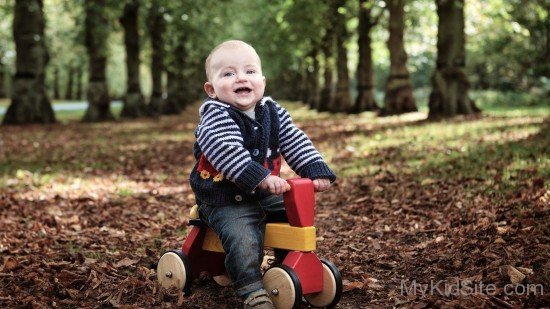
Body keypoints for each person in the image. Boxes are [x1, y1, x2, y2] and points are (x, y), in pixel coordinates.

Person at [189, 40, 336, 308]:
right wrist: (261, 177)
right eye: (228, 73)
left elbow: (294, 140)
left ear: (263, 82)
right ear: (211, 89)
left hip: (262, 193)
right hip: (224, 197)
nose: (241, 78)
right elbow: (227, 150)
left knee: (292, 214)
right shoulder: (215, 116)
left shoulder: (272, 111)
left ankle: (288, 267)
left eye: (249, 71)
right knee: (243, 235)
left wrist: (313, 168)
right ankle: (250, 287)